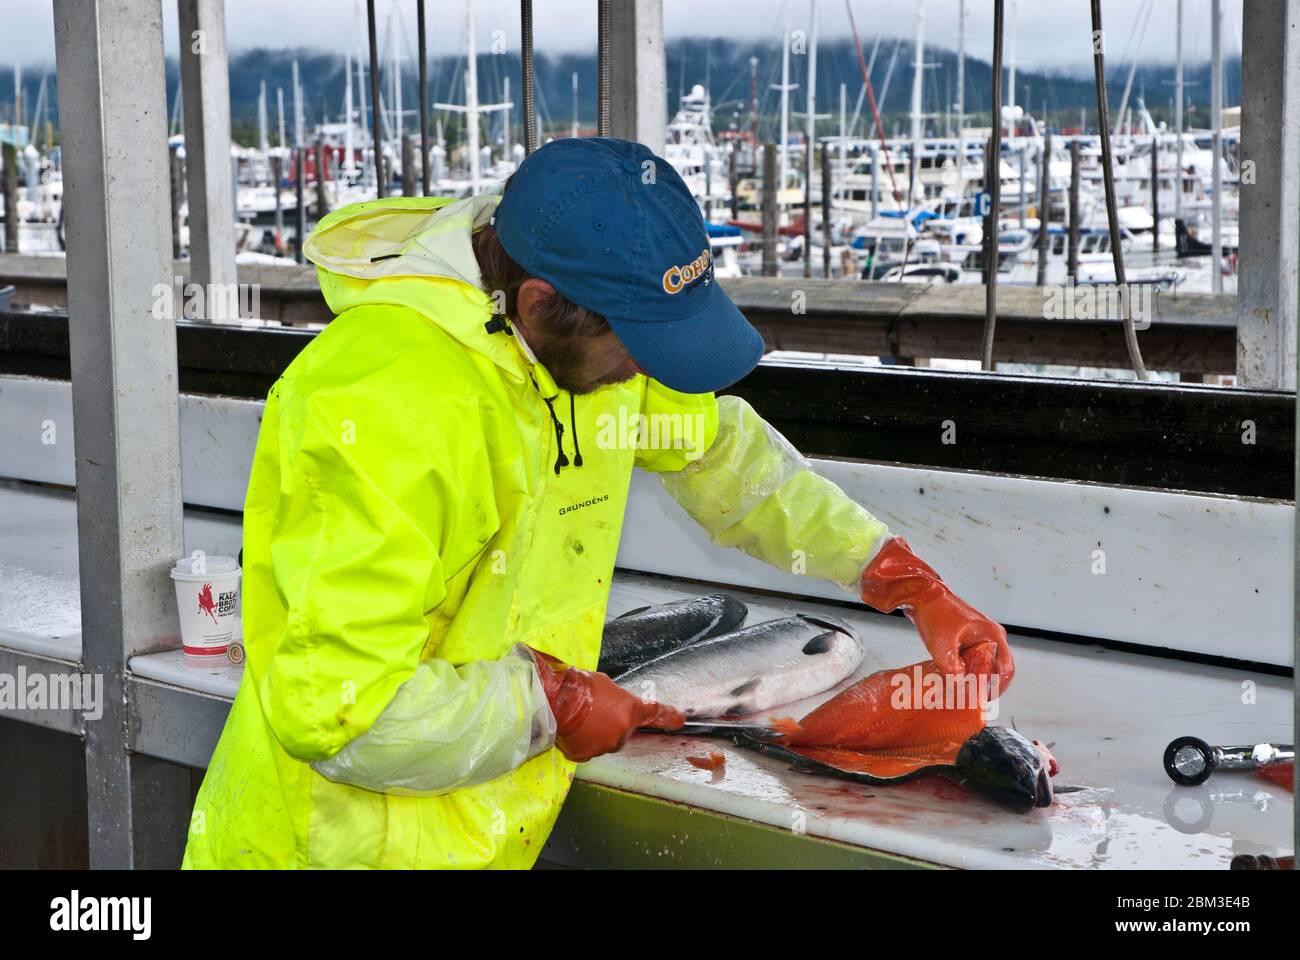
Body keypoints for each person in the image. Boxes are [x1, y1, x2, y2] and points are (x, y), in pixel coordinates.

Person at [182, 137, 1012, 869]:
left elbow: (724, 454)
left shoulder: (579, 340)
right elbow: (340, 713)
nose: (645, 373)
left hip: (483, 826)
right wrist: (555, 703)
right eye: (637, 348)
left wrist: (900, 579)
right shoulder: (380, 401)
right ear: (542, 304)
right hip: (328, 849)